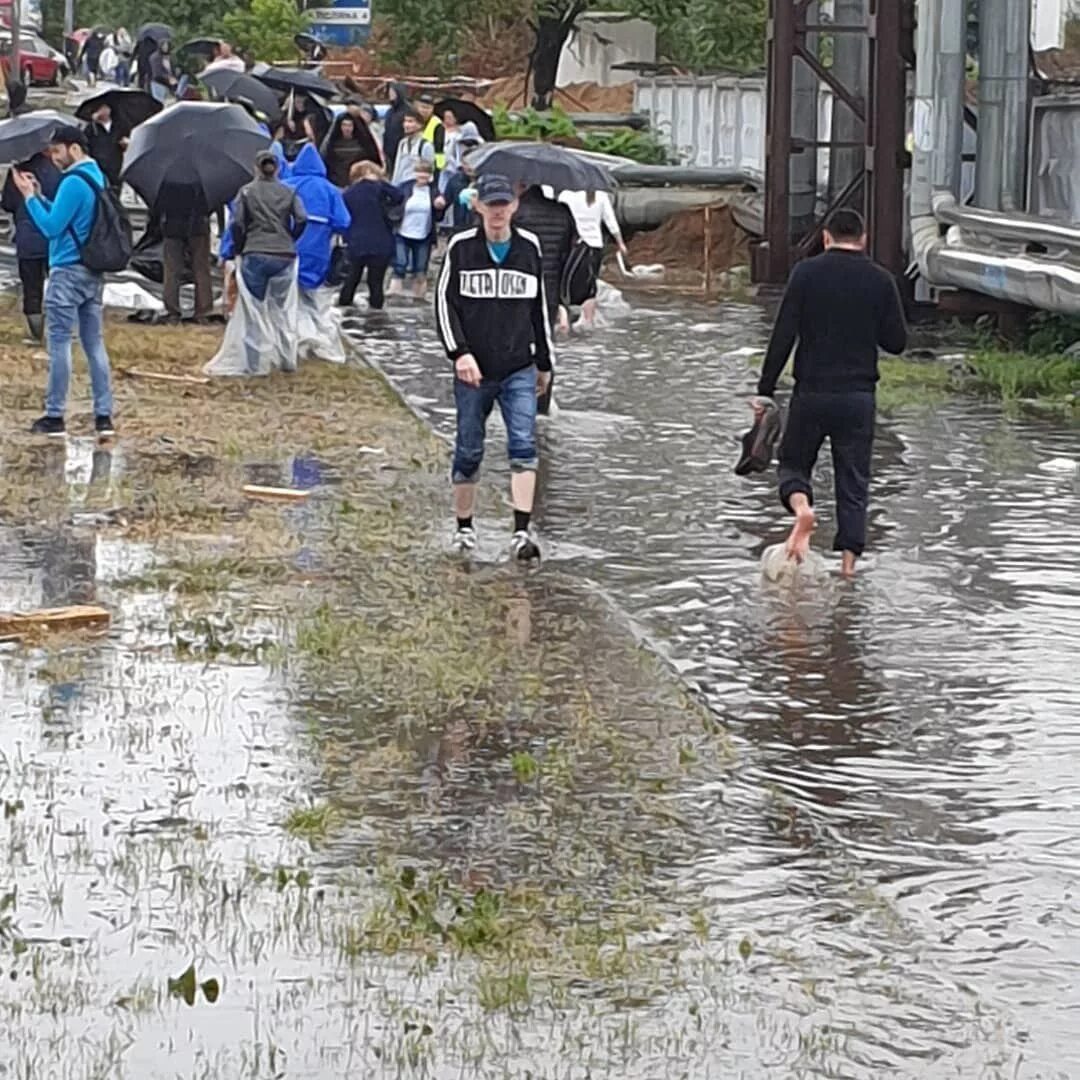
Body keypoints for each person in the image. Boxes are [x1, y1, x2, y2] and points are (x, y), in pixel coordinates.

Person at [756, 208, 908, 578]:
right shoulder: (881, 280)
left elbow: (783, 335)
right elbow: (897, 343)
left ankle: (803, 508)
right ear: (864, 238)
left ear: (826, 237)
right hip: (858, 398)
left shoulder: (806, 273)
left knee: (792, 464)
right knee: (853, 483)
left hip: (812, 394)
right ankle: (848, 569)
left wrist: (765, 390)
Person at [435, 174, 554, 562]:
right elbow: (443, 305)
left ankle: (521, 531)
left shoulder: (529, 248)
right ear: (479, 206)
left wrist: (545, 363)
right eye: (492, 205)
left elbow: (540, 309)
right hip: (474, 368)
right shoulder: (461, 248)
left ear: (515, 206)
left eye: (505, 204)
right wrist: (459, 354)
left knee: (523, 445)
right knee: (470, 447)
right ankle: (465, 528)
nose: (499, 212)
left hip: (519, 364)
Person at [11, 126, 116, 438]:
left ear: (74, 148)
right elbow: (67, 219)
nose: (54, 158)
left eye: (57, 151)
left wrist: (29, 198)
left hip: (66, 271)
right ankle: (103, 415)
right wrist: (41, 195)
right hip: (92, 271)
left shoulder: (73, 182)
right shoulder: (97, 176)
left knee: (59, 343)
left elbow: (52, 227)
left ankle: (55, 415)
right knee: (94, 343)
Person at [211, 151, 308, 375]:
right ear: (278, 168)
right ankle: (287, 359)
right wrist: (290, 237)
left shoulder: (246, 192)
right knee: (283, 308)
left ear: (256, 168)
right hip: (284, 255)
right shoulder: (289, 191)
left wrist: (239, 245)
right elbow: (303, 218)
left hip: (255, 251)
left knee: (253, 309)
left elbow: (237, 223)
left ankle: (255, 363)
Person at [512, 184, 575, 413]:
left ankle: (515, 399)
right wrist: (562, 300)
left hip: (519, 286)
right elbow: (568, 255)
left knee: (514, 341)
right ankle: (542, 402)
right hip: (549, 288)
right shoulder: (562, 212)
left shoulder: (515, 212)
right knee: (544, 344)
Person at [1, 149, 61, 342]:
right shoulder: (60, 170)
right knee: (59, 286)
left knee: (31, 288)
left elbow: (8, 203)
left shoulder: (19, 172)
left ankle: (35, 333)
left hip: (27, 238)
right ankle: (61, 329)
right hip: (55, 238)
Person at [557, 189, 627, 329]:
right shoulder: (601, 196)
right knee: (590, 286)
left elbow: (560, 219)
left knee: (564, 283)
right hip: (594, 246)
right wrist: (620, 243)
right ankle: (588, 321)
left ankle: (564, 318)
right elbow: (610, 220)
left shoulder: (566, 195)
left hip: (575, 245)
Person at [283, 144, 350, 290]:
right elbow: (343, 221)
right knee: (310, 286)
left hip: (285, 240)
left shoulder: (285, 186)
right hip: (318, 242)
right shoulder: (330, 189)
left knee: (283, 284)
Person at [339, 161, 403, 311]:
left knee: (351, 279)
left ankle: (344, 315)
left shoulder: (348, 193)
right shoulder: (380, 188)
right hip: (381, 242)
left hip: (356, 242)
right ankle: (376, 318)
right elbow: (399, 196)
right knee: (376, 283)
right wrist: (380, 182)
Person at [155, 180, 213, 323]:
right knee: (201, 269)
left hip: (173, 225)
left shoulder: (167, 176)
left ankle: (172, 311)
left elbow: (158, 203)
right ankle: (202, 311)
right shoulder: (205, 174)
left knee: (172, 270)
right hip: (199, 225)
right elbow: (213, 200)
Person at [392, 158, 439, 299]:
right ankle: (395, 295)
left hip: (424, 234)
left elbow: (439, 216)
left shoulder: (434, 191)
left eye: (426, 173)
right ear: (414, 173)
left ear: (430, 175)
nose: (422, 176)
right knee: (400, 264)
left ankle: (419, 297)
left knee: (420, 268)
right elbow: (393, 204)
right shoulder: (404, 188)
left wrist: (440, 206)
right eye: (420, 173)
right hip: (403, 232)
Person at [320, 112, 380, 188]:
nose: (347, 128)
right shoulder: (332, 145)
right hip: (337, 183)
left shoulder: (363, 144)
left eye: (349, 125)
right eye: (344, 125)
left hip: (357, 183)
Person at [84, 104, 125, 193]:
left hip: (115, 166)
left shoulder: (118, 126)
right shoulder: (91, 127)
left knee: (115, 193)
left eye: (103, 108)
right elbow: (85, 145)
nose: (102, 111)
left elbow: (126, 139)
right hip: (98, 166)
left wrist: (125, 143)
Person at [390, 109, 435, 186]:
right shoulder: (402, 143)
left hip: (416, 185)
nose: (406, 125)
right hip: (401, 185)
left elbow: (429, 170)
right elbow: (397, 167)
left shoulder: (425, 145)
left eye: (410, 121)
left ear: (420, 125)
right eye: (405, 121)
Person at [382, 82, 410, 173]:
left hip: (402, 150)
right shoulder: (390, 111)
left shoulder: (407, 111)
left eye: (392, 92)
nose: (390, 94)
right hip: (389, 150)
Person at [415, 93, 446, 171]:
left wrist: (439, 168)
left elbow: (439, 148)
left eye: (428, 108)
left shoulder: (437, 123)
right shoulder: (414, 120)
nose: (424, 110)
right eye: (422, 107)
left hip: (430, 163)